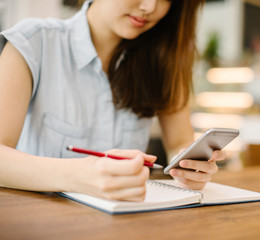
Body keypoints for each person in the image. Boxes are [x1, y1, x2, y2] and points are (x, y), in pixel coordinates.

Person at [0, 0, 226, 201]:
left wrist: (190, 168)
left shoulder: (164, 58)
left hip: (129, 222)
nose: (150, 7)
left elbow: (179, 143)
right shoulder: (33, 42)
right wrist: (80, 175)